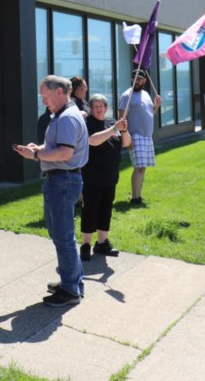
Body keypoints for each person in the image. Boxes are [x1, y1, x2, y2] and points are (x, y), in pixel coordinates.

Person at [14, 75, 89, 307]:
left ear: (59, 91)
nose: (43, 100)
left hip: (63, 181)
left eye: (45, 96)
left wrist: (36, 155)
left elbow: (65, 153)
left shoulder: (66, 117)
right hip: (61, 180)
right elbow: (58, 147)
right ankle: (73, 281)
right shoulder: (64, 115)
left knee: (63, 235)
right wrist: (40, 148)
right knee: (61, 234)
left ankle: (70, 290)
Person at [79, 94, 130, 261]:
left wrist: (123, 130)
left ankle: (102, 243)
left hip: (110, 175)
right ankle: (86, 244)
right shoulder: (87, 123)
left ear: (106, 108)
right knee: (90, 210)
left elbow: (126, 143)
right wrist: (114, 129)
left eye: (102, 106)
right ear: (91, 109)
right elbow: (92, 141)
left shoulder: (111, 122)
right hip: (92, 176)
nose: (99, 108)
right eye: (96, 106)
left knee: (106, 210)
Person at [118, 69, 162, 205]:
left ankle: (139, 195)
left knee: (143, 168)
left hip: (147, 136)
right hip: (135, 136)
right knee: (139, 167)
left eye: (139, 79)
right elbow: (121, 118)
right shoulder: (127, 96)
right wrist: (127, 137)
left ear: (144, 80)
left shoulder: (146, 95)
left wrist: (157, 106)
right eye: (134, 78)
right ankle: (134, 198)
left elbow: (149, 114)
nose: (136, 81)